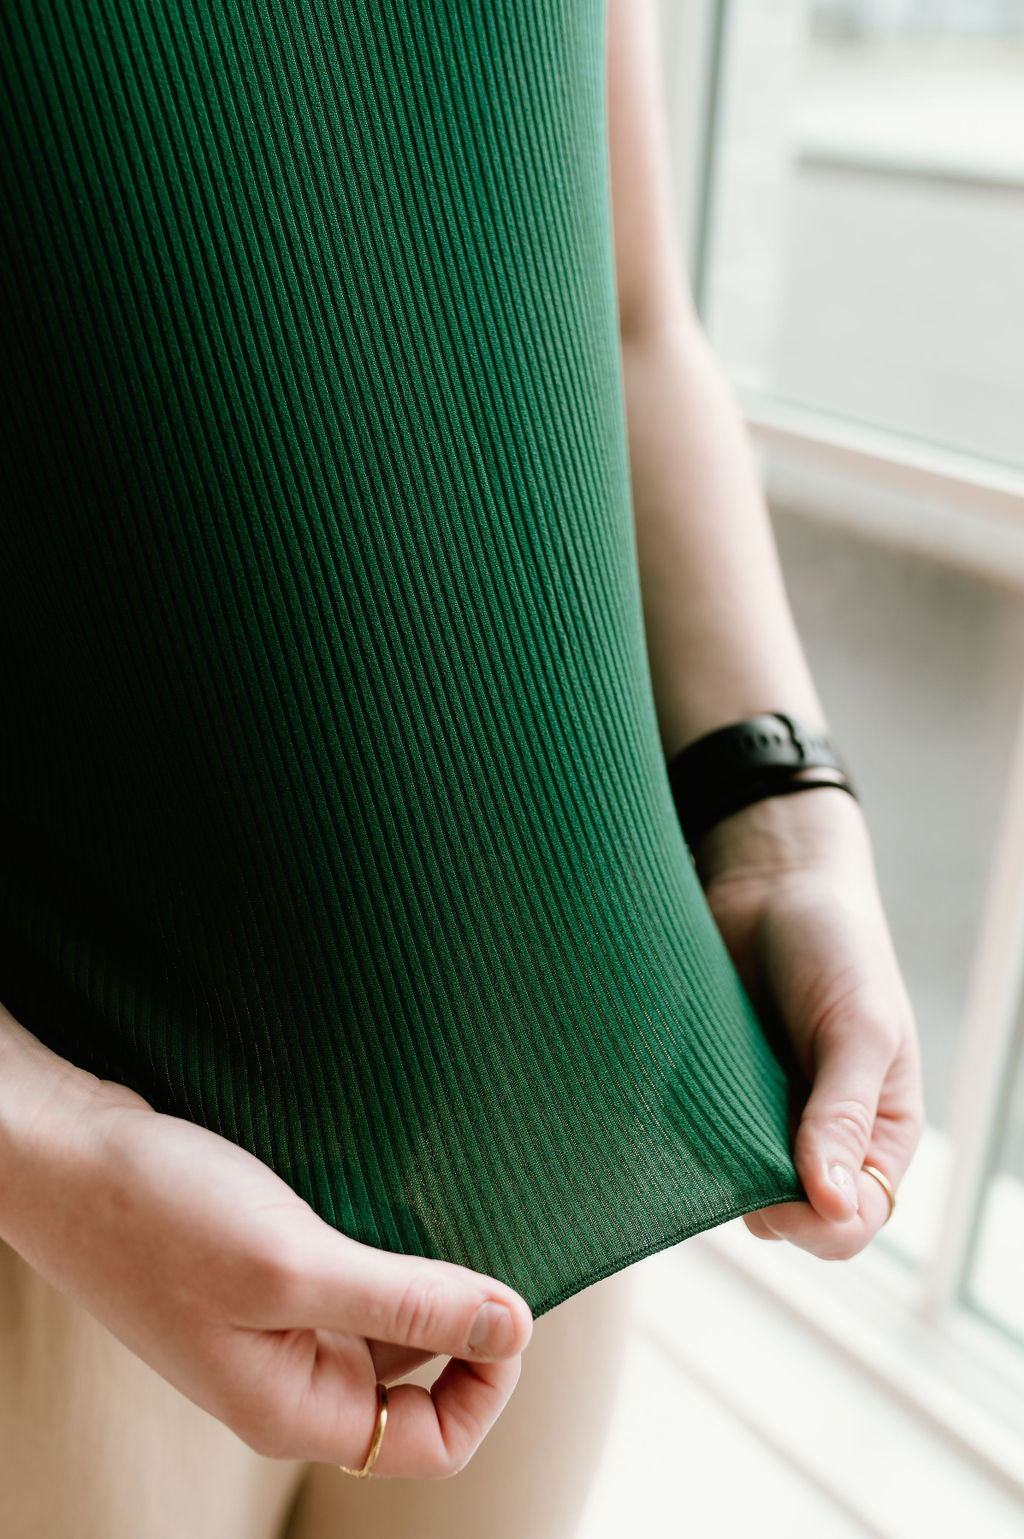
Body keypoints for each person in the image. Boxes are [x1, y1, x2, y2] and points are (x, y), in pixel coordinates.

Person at [0, 0, 924, 1534]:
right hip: (61, 1216)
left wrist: (782, 819)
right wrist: (57, 1152)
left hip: (553, 1175)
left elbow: (630, 318)